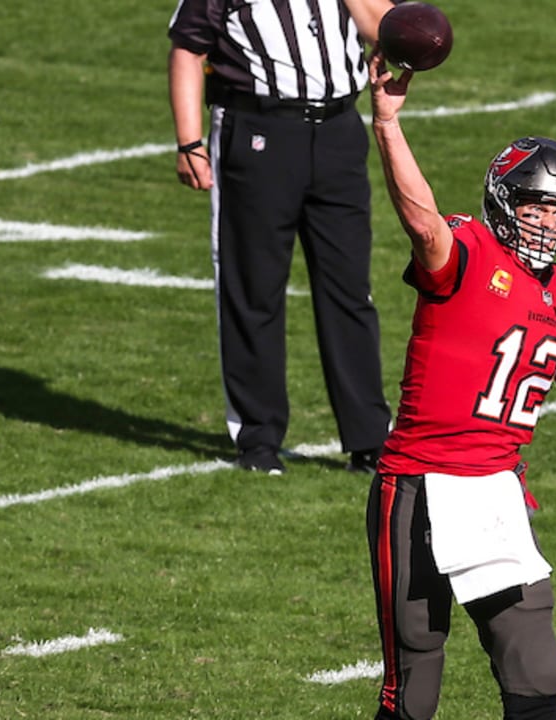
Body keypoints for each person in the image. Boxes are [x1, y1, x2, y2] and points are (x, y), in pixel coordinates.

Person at [364, 50, 556, 720]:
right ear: (505, 203)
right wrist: (388, 125)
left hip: (495, 492)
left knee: (538, 674)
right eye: (536, 209)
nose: (548, 224)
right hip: (420, 486)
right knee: (415, 683)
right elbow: (423, 223)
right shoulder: (469, 250)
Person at [166, 0, 397, 475]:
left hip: (338, 130)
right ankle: (258, 439)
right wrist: (189, 142)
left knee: (350, 289)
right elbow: (188, 48)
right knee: (253, 286)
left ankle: (370, 439)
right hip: (258, 130)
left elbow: (387, 31)